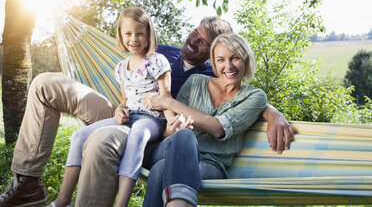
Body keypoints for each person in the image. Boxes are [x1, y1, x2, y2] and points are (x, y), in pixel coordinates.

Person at [0, 16, 294, 207]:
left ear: (212, 53)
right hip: (122, 108)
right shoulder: (160, 49)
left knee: (103, 142)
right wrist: (119, 104)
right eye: (195, 33)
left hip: (153, 128)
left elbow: (238, 95)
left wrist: (273, 113)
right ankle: (27, 182)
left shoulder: (211, 73)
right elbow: (124, 70)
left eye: (203, 41)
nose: (193, 40)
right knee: (44, 83)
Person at [47, 7, 175, 207]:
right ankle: (62, 200)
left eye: (140, 33)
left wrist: (172, 123)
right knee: (79, 136)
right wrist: (119, 109)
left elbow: (166, 97)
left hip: (152, 120)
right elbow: (125, 99)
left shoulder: (158, 62)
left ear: (148, 34)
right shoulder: (121, 67)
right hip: (130, 116)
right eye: (128, 34)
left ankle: (121, 203)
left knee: (138, 133)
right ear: (121, 36)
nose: (134, 39)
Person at [140, 32, 266, 206]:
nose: (228, 66)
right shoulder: (196, 81)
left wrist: (167, 101)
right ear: (214, 62)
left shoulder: (254, 97)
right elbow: (170, 131)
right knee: (184, 135)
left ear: (246, 59)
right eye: (221, 60)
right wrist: (173, 127)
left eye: (235, 58)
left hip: (211, 164)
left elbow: (217, 128)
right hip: (170, 148)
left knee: (160, 169)